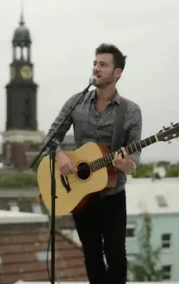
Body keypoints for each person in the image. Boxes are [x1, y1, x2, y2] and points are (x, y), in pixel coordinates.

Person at [43, 43, 142, 284]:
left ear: (117, 73)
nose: (96, 68)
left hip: (112, 194)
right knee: (91, 255)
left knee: (117, 255)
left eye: (103, 64)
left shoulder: (130, 111)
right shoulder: (76, 102)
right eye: (95, 63)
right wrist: (61, 155)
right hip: (78, 192)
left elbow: (134, 163)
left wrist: (125, 164)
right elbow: (50, 139)